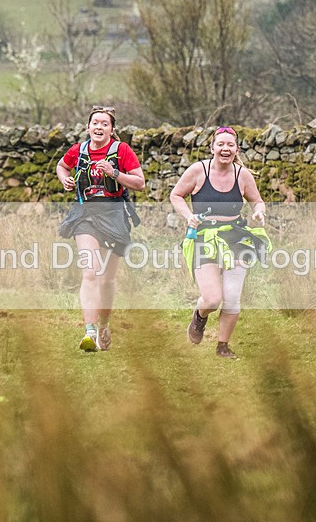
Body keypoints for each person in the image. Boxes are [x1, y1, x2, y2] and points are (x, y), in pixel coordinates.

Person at [170, 126, 271, 359]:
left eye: (230, 145)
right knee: (213, 299)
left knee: (233, 296)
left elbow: (257, 201)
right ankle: (200, 316)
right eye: (221, 144)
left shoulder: (242, 175)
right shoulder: (198, 171)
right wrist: (189, 217)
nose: (225, 149)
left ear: (236, 149)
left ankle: (222, 346)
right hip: (204, 237)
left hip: (236, 237)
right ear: (212, 148)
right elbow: (176, 195)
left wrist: (259, 212)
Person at [56, 105, 145, 352]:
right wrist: (64, 177)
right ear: (88, 127)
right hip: (85, 214)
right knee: (90, 272)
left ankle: (104, 325)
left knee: (107, 280)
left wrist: (115, 173)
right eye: (95, 123)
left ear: (111, 130)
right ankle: (90, 332)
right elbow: (62, 166)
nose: (99, 127)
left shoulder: (122, 151)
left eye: (104, 124)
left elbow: (140, 183)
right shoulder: (79, 150)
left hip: (114, 214)